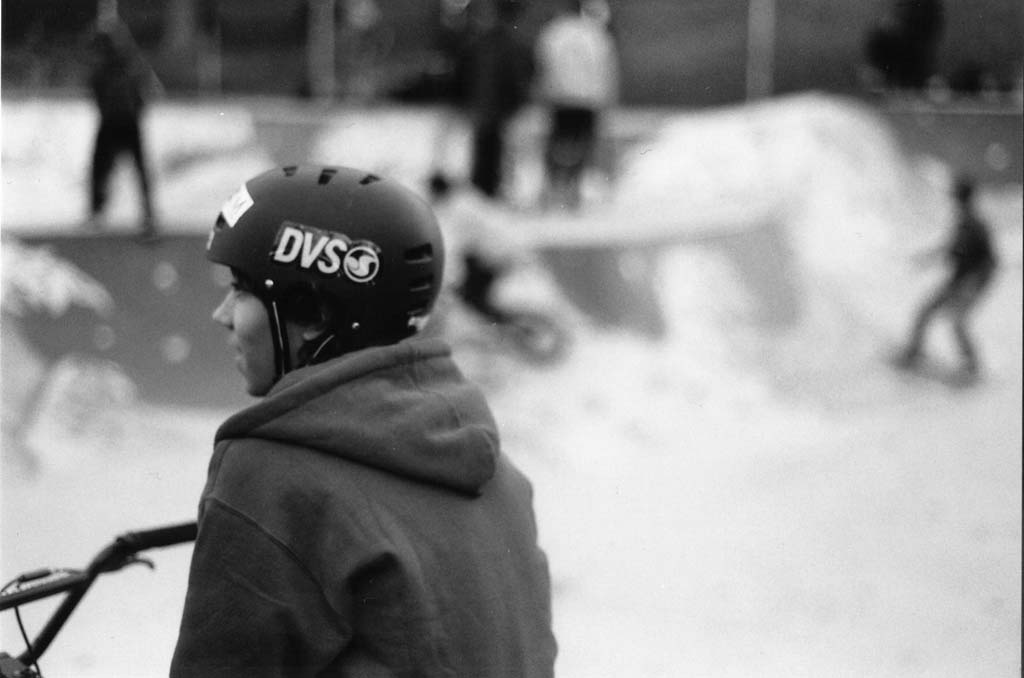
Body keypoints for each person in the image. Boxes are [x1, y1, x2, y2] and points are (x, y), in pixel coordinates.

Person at [171, 165, 557, 676]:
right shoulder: (497, 471)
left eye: (241, 290)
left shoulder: (268, 476)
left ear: (312, 314)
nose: (222, 314)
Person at [898, 175, 998, 377]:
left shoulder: (975, 225)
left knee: (956, 322)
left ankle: (972, 366)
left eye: (955, 196)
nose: (953, 200)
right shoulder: (965, 221)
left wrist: (973, 284)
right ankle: (914, 353)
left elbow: (990, 261)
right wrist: (927, 258)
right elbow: (951, 247)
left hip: (969, 282)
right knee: (927, 311)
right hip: (959, 280)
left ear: (960, 198)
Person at [534, 0, 620, 210]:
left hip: (560, 98)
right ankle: (572, 190)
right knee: (581, 144)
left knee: (557, 143)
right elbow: (606, 69)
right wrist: (606, 98)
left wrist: (545, 93)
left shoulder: (553, 32)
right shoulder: (596, 34)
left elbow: (543, 64)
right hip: (587, 99)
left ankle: (552, 188)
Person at [87, 21, 159, 237]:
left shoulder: (114, 65)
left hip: (116, 120)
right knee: (124, 168)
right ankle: (144, 212)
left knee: (103, 167)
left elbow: (97, 88)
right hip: (124, 120)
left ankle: (100, 210)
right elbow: (144, 89)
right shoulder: (129, 63)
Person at [463, 0, 535, 199]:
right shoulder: (512, 42)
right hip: (500, 108)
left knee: (487, 154)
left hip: (487, 106)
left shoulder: (485, 41)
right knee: (495, 154)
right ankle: (491, 194)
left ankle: (487, 194)